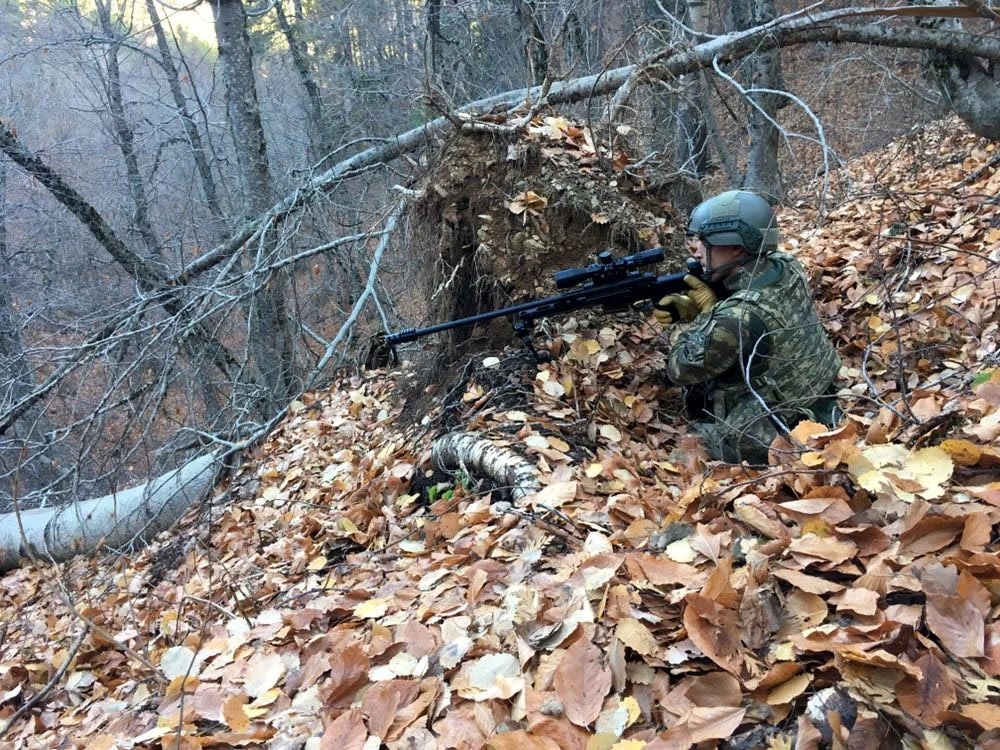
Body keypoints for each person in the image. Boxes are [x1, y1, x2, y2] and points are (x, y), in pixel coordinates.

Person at [653, 190, 842, 465]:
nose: (696, 251)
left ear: (737, 248)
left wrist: (704, 316)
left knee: (683, 451)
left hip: (779, 434)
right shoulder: (786, 266)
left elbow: (679, 368)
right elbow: (749, 303)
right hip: (822, 398)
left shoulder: (736, 318)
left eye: (705, 243)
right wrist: (712, 303)